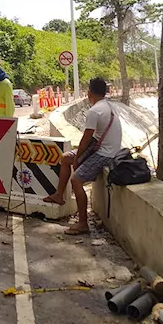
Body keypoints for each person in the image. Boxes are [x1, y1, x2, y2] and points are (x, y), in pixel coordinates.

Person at [43, 77, 122, 234]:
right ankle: (59, 195)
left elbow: (86, 139)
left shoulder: (94, 111)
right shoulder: (109, 106)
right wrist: (76, 157)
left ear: (89, 93)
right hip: (106, 148)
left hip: (104, 153)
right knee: (66, 158)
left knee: (76, 180)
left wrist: (78, 159)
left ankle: (83, 223)